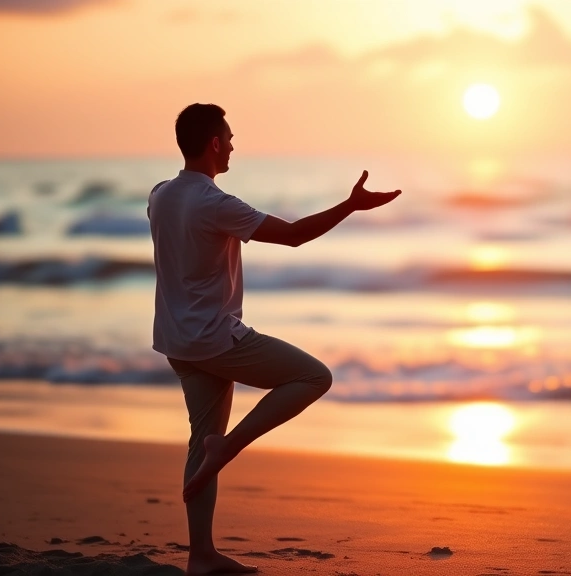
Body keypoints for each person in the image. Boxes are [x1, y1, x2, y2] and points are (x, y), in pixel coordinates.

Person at [147, 103, 401, 575]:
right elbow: (294, 236)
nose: (234, 145)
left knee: (200, 443)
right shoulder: (215, 202)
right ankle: (231, 447)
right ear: (215, 144)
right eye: (229, 137)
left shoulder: (160, 195)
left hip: (177, 342)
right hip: (216, 340)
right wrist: (350, 205)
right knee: (312, 375)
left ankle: (200, 554)